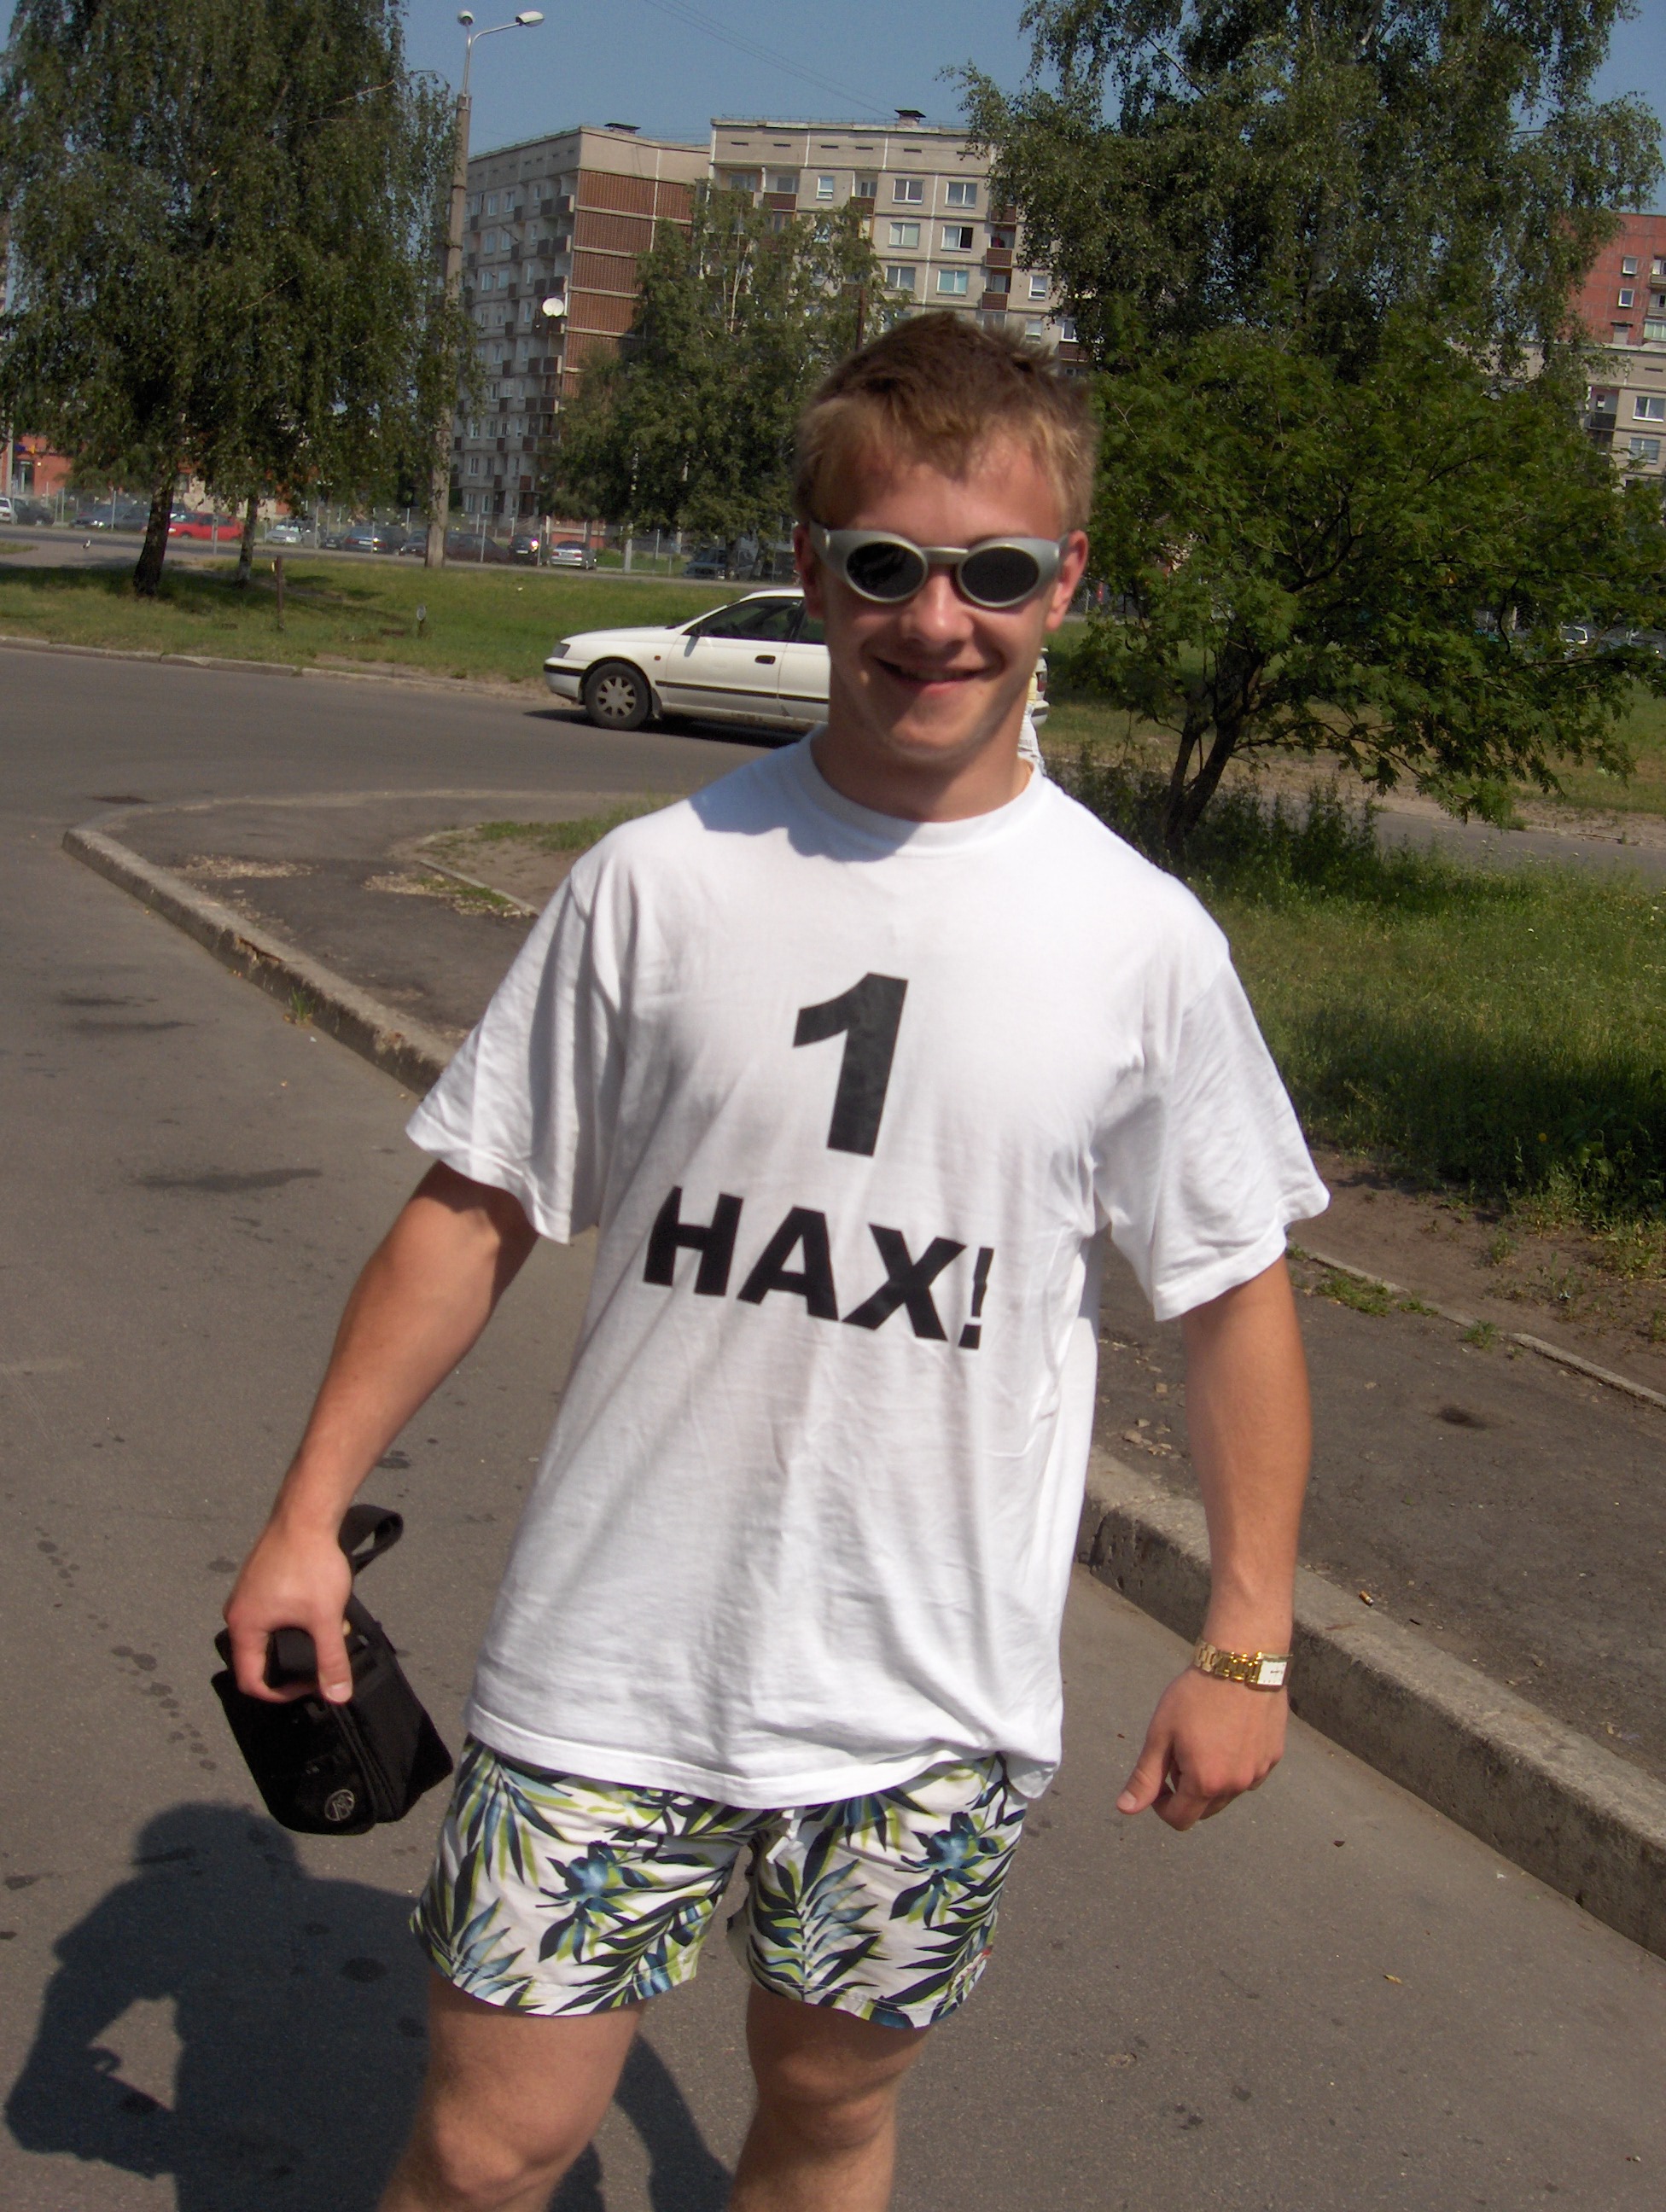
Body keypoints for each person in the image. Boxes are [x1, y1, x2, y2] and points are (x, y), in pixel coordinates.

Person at [226, 311, 1326, 2212]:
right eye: (885, 566)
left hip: (927, 1706)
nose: (937, 621)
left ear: (1065, 581)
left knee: (823, 2123)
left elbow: (1230, 1298)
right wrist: (304, 1515)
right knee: (487, 2149)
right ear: (813, 569)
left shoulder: (1141, 944)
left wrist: (1245, 1643)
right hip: (608, 1663)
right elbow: (478, 1209)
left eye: (993, 572)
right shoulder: (657, 881)